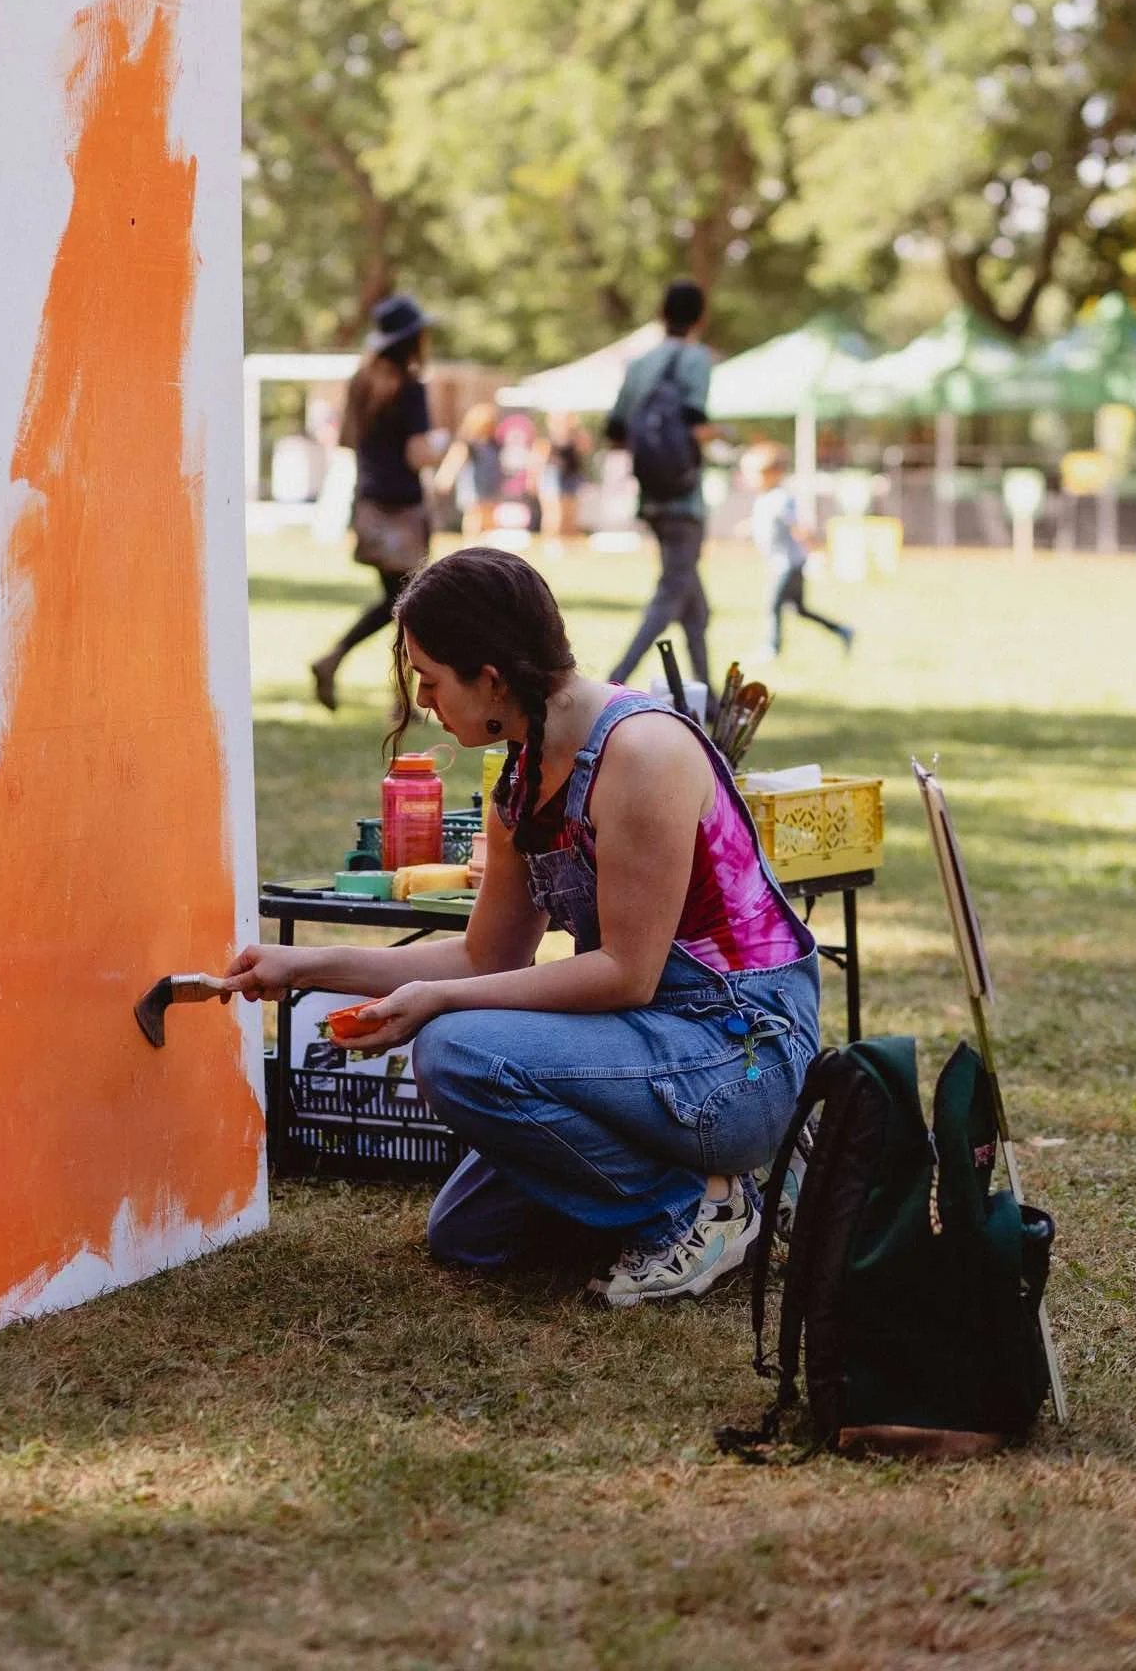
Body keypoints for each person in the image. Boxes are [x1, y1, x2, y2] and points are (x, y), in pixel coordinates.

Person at [229, 546, 821, 1306]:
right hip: (651, 1045)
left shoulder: (640, 754)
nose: (424, 699)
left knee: (454, 1050)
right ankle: (745, 1183)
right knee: (471, 1234)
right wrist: (303, 967)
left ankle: (694, 1214)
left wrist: (439, 1005)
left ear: (491, 680)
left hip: (739, 1052)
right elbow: (486, 957)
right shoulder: (524, 772)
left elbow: (627, 974)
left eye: (431, 680)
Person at [309, 293, 445, 712]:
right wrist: (442, 448)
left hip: (368, 503)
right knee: (408, 605)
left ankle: (395, 695)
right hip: (402, 509)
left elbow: (347, 440)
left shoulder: (361, 385)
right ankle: (348, 666)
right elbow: (417, 454)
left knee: (400, 603)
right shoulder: (410, 389)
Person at [604, 278, 713, 701]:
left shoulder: (640, 363)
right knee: (669, 596)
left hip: (650, 496)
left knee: (695, 607)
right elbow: (696, 423)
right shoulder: (696, 360)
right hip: (685, 498)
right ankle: (615, 679)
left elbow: (615, 430)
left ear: (661, 313)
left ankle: (712, 698)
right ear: (700, 316)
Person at [745, 443, 854, 659]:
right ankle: (842, 630)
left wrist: (817, 551)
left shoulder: (780, 498)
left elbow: (798, 529)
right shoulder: (765, 498)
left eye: (755, 473)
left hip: (787, 564)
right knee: (799, 609)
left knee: (772, 605)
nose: (750, 479)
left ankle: (771, 648)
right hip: (779, 563)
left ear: (774, 473)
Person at [435, 402, 504, 540]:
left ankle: (485, 547)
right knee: (474, 517)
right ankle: (471, 543)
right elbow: (454, 461)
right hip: (473, 487)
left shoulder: (493, 445)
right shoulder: (467, 445)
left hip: (489, 486)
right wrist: (446, 477)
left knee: (489, 517)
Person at [535, 410, 591, 542]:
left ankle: (567, 543)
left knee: (570, 514)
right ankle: (551, 542)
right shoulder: (547, 438)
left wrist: (576, 430)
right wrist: (535, 479)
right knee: (554, 514)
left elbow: (586, 447)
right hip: (552, 476)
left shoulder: (574, 438)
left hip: (570, 477)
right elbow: (539, 459)